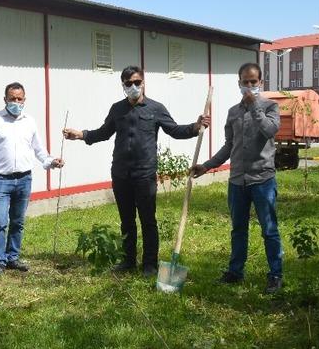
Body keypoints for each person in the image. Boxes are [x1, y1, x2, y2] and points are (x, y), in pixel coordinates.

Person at [63, 66, 209, 277]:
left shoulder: (156, 108)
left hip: (144, 174)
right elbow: (104, 133)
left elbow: (174, 130)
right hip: (121, 174)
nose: (133, 86)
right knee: (127, 220)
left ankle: (150, 265)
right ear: (123, 85)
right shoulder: (117, 109)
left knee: (148, 220)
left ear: (143, 83)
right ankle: (128, 260)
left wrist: (196, 127)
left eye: (137, 82)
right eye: (128, 83)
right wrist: (81, 134)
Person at [190, 62, 284, 294]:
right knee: (238, 229)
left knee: (269, 229)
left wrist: (254, 108)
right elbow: (229, 146)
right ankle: (235, 271)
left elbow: (270, 131)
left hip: (262, 179)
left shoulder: (271, 106)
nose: (250, 86)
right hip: (237, 181)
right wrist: (207, 166)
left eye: (254, 82)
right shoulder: (233, 112)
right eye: (245, 82)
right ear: (239, 83)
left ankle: (275, 274)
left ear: (261, 83)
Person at [0, 82, 64, 276]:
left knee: (18, 221)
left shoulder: (29, 121)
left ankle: (12, 257)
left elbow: (39, 149)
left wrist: (51, 161)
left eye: (19, 99)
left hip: (24, 179)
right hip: (0, 180)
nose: (16, 102)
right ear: (5, 99)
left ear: (24, 100)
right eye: (12, 98)